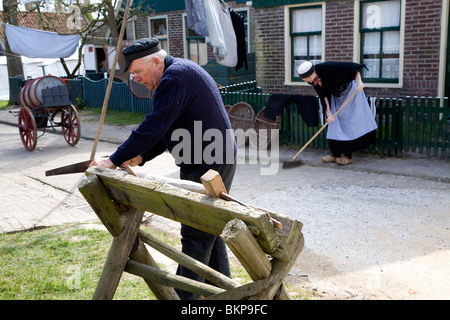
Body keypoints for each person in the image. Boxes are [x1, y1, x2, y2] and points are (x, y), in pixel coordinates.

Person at [89, 38, 237, 300]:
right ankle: (226, 295)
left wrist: (113, 159)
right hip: (205, 161)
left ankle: (184, 299)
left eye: (137, 72)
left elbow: (154, 125)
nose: (136, 79)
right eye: (132, 74)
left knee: (195, 236)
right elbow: (167, 129)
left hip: (209, 165)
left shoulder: (175, 78)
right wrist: (141, 156)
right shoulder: (174, 74)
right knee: (207, 232)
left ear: (156, 61)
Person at [298, 61, 378, 165]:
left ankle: (348, 156)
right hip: (337, 95)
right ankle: (335, 154)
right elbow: (324, 97)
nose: (306, 81)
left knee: (347, 123)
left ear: (312, 73)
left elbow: (355, 68)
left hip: (351, 92)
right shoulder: (314, 81)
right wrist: (329, 114)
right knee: (334, 123)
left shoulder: (328, 67)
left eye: (306, 79)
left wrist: (359, 83)